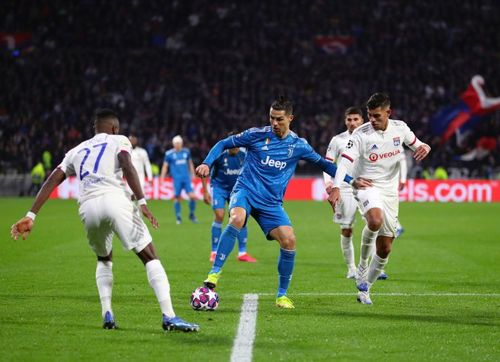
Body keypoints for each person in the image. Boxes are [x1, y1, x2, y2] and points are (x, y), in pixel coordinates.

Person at [10, 109, 199, 332]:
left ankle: (107, 313)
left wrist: (31, 215)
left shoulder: (76, 150)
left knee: (104, 259)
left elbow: (54, 177)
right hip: (115, 200)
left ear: (94, 129)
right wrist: (142, 201)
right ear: (114, 128)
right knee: (149, 256)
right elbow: (126, 163)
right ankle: (169, 316)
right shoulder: (119, 140)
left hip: (87, 208)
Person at [196, 96, 371, 309]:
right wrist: (206, 162)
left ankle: (281, 295)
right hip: (246, 191)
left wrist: (351, 180)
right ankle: (214, 275)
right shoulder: (256, 135)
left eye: (279, 119)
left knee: (289, 240)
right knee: (236, 217)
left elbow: (325, 165)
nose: (274, 123)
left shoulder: (298, 145)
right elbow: (223, 143)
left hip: (271, 203)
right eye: (271, 118)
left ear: (290, 118)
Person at [329, 93, 431, 305]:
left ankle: (366, 289)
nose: (372, 120)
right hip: (366, 186)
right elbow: (345, 163)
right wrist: (336, 187)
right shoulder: (360, 134)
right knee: (374, 220)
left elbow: (418, 144)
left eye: (376, 116)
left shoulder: (400, 128)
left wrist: (425, 147)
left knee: (385, 248)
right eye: (369, 115)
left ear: (388, 113)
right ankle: (362, 265)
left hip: (390, 190)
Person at [200, 134, 257, 263]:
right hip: (219, 188)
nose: (236, 149)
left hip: (236, 190)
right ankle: (214, 251)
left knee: (241, 218)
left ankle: (242, 253)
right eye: (233, 147)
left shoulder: (244, 155)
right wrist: (205, 192)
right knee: (219, 215)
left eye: (237, 146)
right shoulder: (220, 155)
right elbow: (204, 172)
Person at [160, 135, 198, 224]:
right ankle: (178, 217)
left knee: (192, 197)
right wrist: (162, 177)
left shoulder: (186, 152)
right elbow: (165, 166)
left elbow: (190, 163)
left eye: (179, 143)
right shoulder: (169, 154)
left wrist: (193, 174)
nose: (178, 145)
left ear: (182, 143)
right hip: (177, 179)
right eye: (176, 143)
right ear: (173, 144)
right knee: (177, 198)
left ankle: (191, 214)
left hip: (186, 178)